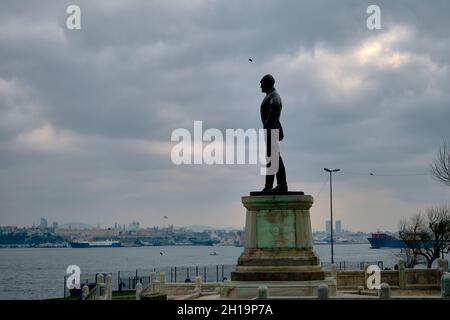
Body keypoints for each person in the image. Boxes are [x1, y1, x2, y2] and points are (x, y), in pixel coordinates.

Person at [259, 74, 288, 192]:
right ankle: (269, 185)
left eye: (262, 83)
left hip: (272, 129)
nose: (260, 86)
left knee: (274, 157)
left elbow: (275, 104)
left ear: (268, 83)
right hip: (270, 129)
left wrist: (268, 122)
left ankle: (282, 184)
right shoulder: (270, 95)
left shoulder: (274, 95)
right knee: (272, 157)